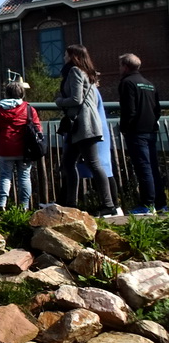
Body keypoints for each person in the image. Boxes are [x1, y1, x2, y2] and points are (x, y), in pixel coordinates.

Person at [55, 44, 116, 216]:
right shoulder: (87, 73)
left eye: (66, 54)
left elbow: (76, 98)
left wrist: (59, 101)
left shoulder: (74, 71)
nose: (63, 57)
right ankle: (71, 204)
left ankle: (108, 204)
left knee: (93, 164)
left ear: (72, 56)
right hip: (83, 124)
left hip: (84, 124)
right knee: (69, 163)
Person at [118, 52, 167, 215]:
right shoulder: (149, 84)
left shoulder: (127, 83)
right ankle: (161, 204)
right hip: (151, 131)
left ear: (125, 66)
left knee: (143, 167)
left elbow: (128, 110)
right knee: (153, 167)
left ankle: (147, 204)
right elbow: (157, 110)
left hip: (136, 132)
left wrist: (124, 127)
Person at [0, 82, 40, 210]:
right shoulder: (29, 109)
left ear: (6, 94)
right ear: (21, 93)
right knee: (24, 177)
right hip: (24, 149)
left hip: (4, 148)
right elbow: (37, 129)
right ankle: (24, 206)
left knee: (5, 177)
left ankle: (2, 203)